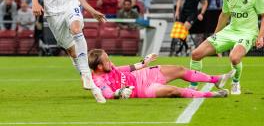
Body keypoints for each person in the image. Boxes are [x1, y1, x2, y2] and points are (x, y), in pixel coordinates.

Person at [189, 0, 264, 95]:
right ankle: (193, 87)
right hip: (231, 30)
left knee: (234, 57)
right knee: (196, 54)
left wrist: (260, 36)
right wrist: (215, 35)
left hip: (248, 33)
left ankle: (236, 82)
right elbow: (224, 15)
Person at [88, 49, 235, 99]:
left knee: (179, 69)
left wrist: (143, 63)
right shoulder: (98, 81)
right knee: (174, 91)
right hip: (143, 90)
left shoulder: (108, 66)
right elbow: (107, 94)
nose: (110, 62)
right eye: (107, 61)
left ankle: (216, 79)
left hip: (143, 75)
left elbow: (123, 69)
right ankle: (213, 95)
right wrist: (119, 93)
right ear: (99, 66)